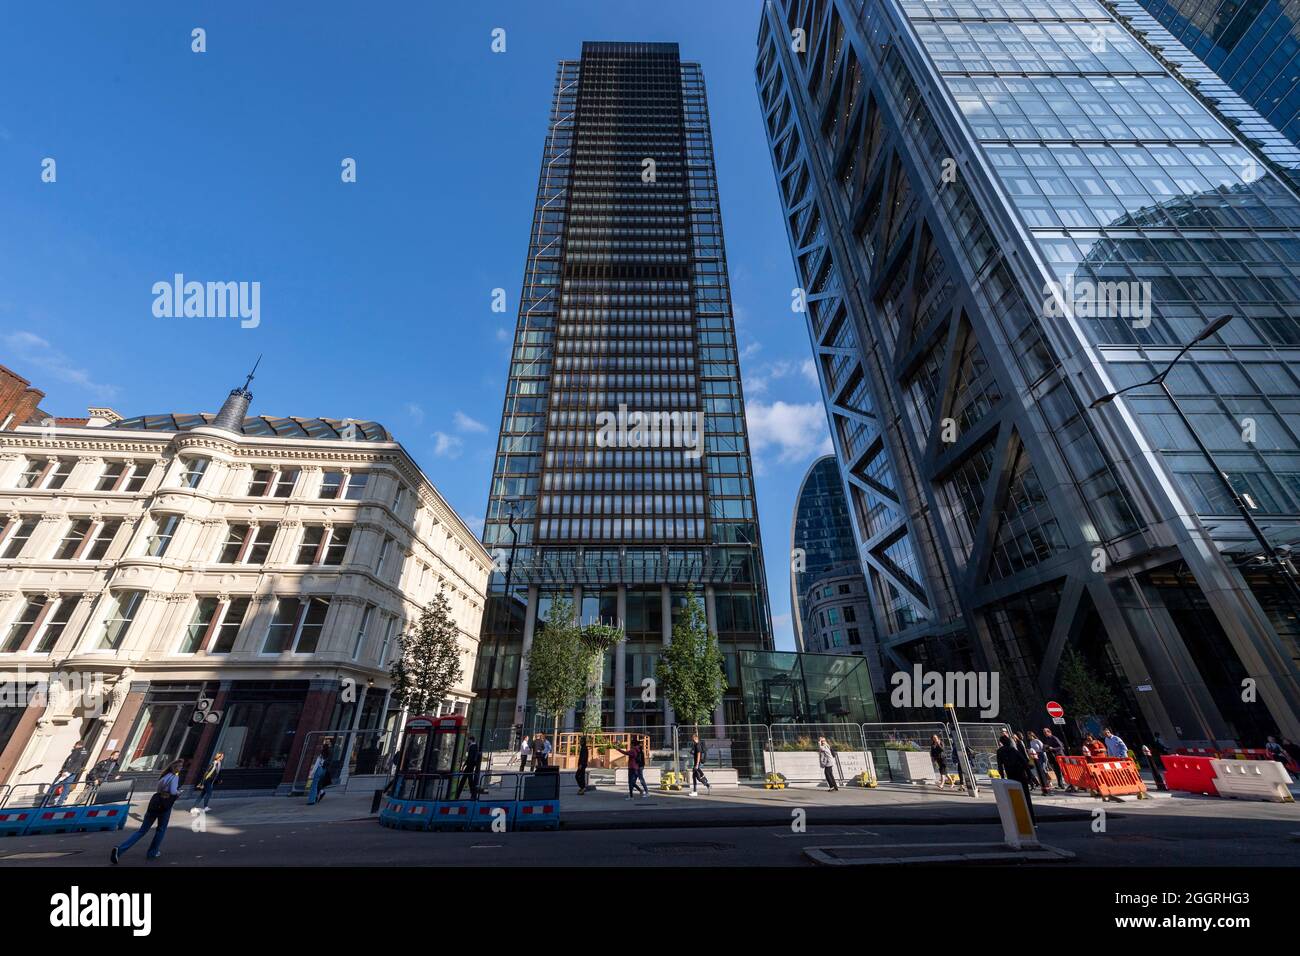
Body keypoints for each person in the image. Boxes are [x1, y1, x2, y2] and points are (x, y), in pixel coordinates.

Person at [110, 759, 183, 863]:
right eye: (180, 766)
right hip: (165, 804)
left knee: (142, 830)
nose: (181, 768)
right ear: (176, 768)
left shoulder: (163, 776)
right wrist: (179, 792)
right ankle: (152, 852)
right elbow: (173, 791)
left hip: (155, 803)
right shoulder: (175, 777)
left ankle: (120, 849)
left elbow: (158, 790)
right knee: (161, 829)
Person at [995, 734, 1035, 824]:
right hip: (1020, 774)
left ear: (1001, 742)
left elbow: (1000, 766)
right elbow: (1024, 763)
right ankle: (1032, 821)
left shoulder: (1000, 751)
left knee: (1015, 797)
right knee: (1026, 797)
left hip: (1011, 775)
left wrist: (1002, 777)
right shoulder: (1013, 750)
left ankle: (1019, 819)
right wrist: (1030, 776)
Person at [49, 740, 89, 806]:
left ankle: (46, 801)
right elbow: (78, 760)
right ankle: (59, 803)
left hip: (68, 771)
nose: (73, 746)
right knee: (66, 787)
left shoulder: (77, 751)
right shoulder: (83, 751)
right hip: (73, 771)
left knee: (55, 784)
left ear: (78, 745)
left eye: (75, 745)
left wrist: (64, 770)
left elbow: (70, 762)